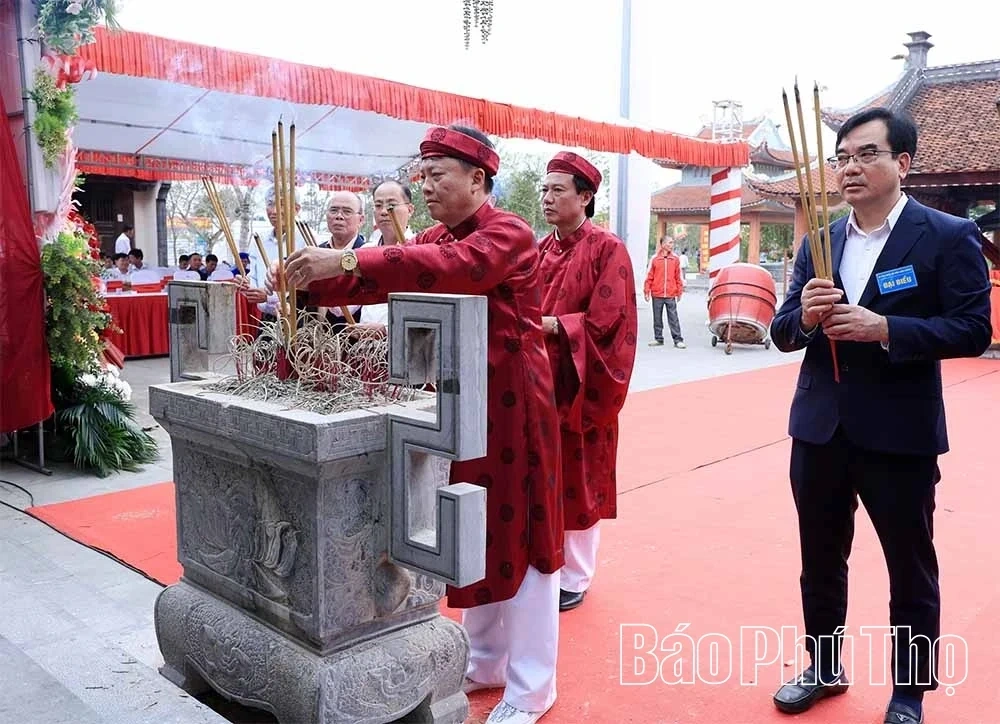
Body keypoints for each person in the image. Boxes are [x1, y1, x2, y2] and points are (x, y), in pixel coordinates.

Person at [274, 124, 564, 724]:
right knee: (475, 530)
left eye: (438, 175)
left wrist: (349, 254)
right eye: (423, 174)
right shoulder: (435, 235)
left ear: (479, 179)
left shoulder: (507, 232)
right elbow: (387, 273)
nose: (425, 185)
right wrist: (310, 280)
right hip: (461, 405)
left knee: (527, 537)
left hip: (516, 411)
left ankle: (533, 688)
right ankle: (484, 659)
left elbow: (452, 266)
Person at [769, 107, 992, 724]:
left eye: (867, 154)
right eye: (842, 157)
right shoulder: (821, 240)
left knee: (910, 563)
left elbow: (974, 328)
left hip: (900, 430)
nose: (850, 168)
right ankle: (823, 664)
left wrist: (885, 328)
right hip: (819, 428)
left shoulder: (947, 234)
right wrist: (807, 318)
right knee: (819, 554)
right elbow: (782, 332)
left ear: (903, 163)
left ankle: (909, 693)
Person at [537, 151, 637, 612]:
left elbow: (608, 321)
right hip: (539, 381)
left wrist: (558, 327)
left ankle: (576, 574)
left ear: (585, 196)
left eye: (558, 189)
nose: (547, 197)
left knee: (580, 474)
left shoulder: (607, 248)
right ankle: (545, 561)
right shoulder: (540, 249)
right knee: (543, 475)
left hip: (581, 383)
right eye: (544, 189)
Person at [356, 179, 416, 328]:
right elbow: (349, 303)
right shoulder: (366, 251)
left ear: (410, 209)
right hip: (365, 346)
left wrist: (385, 330)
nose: (384, 212)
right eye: (378, 205)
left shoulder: (420, 251)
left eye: (391, 205)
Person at [643, 236, 686, 348]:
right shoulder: (654, 259)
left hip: (670, 294)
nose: (672, 245)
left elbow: (678, 276)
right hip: (657, 294)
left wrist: (679, 291)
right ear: (663, 244)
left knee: (673, 317)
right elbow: (649, 276)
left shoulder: (675, 259)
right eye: (669, 243)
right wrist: (646, 291)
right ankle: (658, 339)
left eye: (672, 243)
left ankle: (678, 340)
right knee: (657, 318)